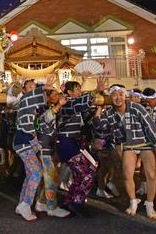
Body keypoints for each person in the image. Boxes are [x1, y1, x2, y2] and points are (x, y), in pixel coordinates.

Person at [93, 84, 156, 219]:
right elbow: (100, 129)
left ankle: (150, 204)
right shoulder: (109, 112)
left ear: (125, 96)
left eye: (120, 94)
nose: (118, 97)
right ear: (110, 97)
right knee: (127, 175)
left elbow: (150, 126)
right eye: (114, 95)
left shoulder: (137, 108)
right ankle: (133, 201)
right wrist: (99, 110)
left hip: (145, 142)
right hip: (128, 145)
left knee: (152, 175)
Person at [56, 78, 105, 217]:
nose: (79, 91)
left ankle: (68, 201)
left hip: (72, 143)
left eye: (79, 88)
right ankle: (76, 202)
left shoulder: (74, 105)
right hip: (66, 143)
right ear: (69, 92)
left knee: (80, 175)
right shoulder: (67, 103)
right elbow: (80, 103)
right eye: (76, 89)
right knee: (88, 173)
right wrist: (96, 90)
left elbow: (86, 115)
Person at [13, 76, 56, 221]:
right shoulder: (25, 100)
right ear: (24, 91)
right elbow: (32, 96)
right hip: (23, 141)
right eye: (30, 88)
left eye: (34, 87)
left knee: (31, 173)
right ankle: (25, 205)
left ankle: (22, 204)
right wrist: (42, 88)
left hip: (27, 142)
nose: (33, 90)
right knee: (37, 172)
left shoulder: (32, 107)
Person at [34, 89, 70, 218]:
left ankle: (41, 202)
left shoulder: (46, 107)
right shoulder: (42, 108)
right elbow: (47, 117)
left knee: (47, 178)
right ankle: (51, 207)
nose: (58, 96)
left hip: (47, 147)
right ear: (47, 97)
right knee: (52, 179)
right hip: (43, 148)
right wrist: (59, 105)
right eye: (54, 95)